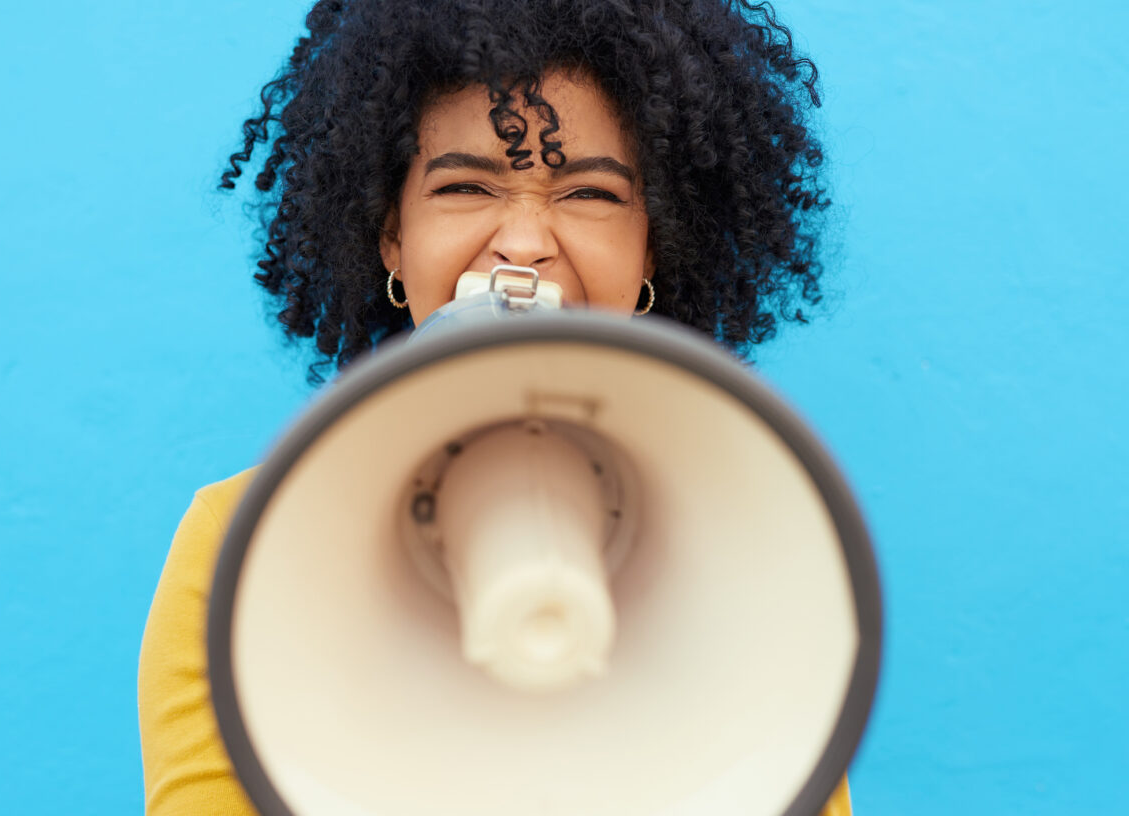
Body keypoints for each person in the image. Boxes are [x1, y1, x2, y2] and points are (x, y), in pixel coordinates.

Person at [138, 0, 845, 813]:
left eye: (590, 195)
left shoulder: (758, 556)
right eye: (466, 185)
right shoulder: (241, 544)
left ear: (655, 246)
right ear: (391, 238)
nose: (523, 243)